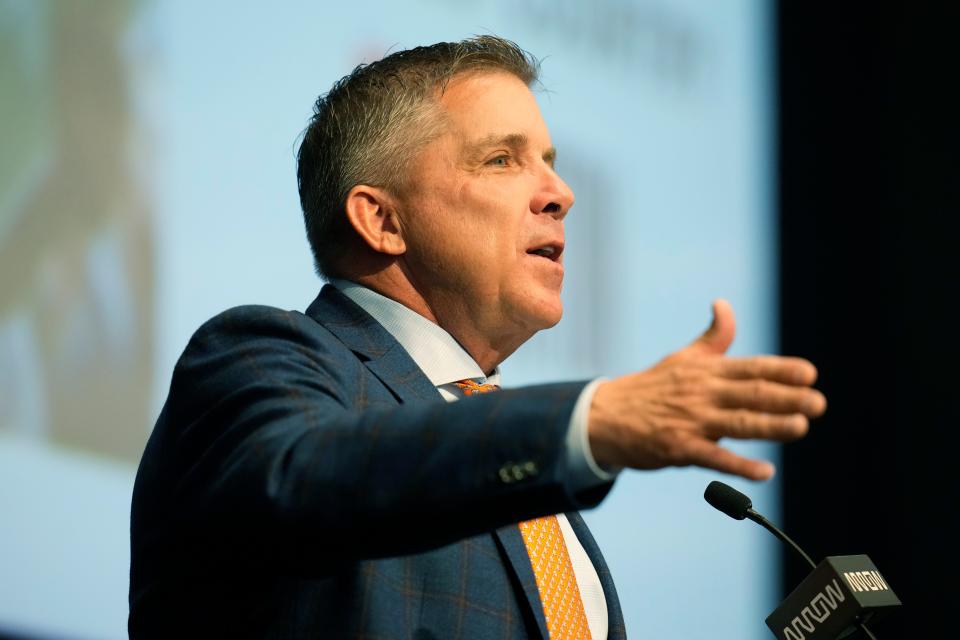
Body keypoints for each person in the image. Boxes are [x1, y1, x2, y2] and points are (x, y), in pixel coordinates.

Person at [128, 36, 826, 639]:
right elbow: (305, 477)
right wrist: (589, 423)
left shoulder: (504, 456)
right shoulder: (262, 357)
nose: (560, 192)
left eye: (549, 159)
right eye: (501, 159)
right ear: (382, 222)